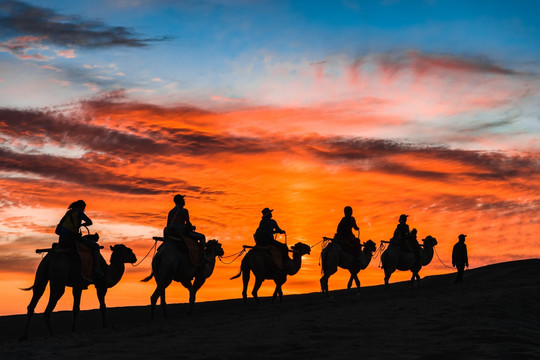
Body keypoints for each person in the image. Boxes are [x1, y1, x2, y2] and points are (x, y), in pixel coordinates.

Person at [57, 200, 102, 277]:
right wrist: (82, 225)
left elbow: (60, 225)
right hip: (72, 239)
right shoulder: (80, 213)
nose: (83, 209)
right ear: (81, 207)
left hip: (62, 239)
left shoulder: (68, 213)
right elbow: (90, 222)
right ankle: (96, 270)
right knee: (96, 246)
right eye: (84, 208)